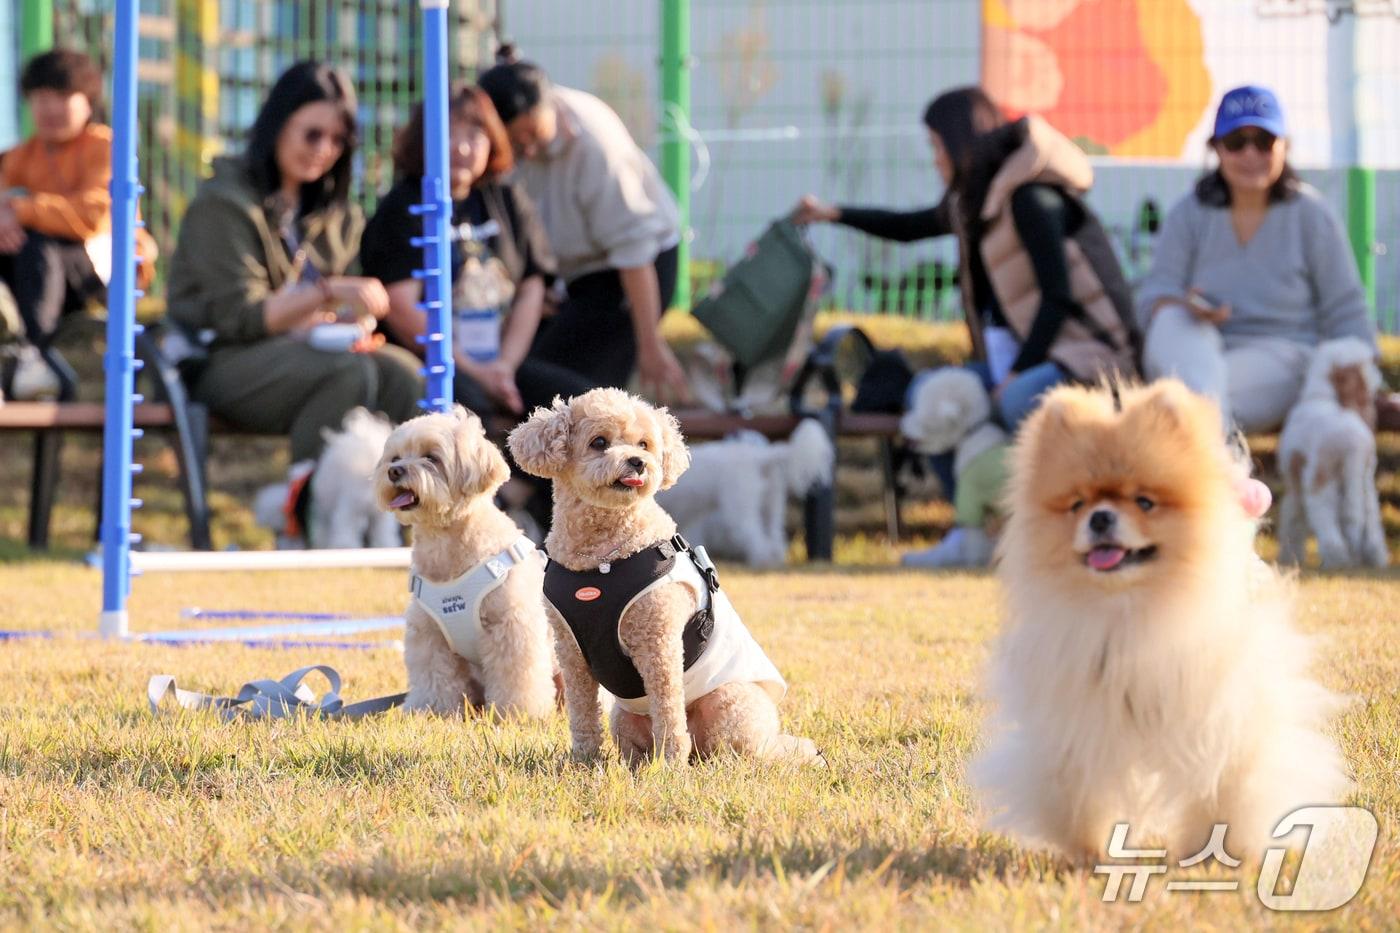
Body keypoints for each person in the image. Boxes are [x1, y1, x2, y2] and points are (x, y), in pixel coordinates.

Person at [795, 86, 1138, 432]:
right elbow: (910, 226)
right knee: (926, 400)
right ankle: (973, 486)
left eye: (937, 145)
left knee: (1017, 400)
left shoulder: (1030, 200)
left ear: (960, 143)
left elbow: (1057, 296)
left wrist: (1017, 373)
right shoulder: (976, 204)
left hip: (1088, 359)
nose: (935, 158)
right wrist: (832, 213)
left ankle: (1020, 484)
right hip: (1021, 359)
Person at [165, 61, 423, 466]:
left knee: (406, 375)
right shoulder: (223, 202)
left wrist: (351, 320)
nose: (324, 149)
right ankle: (309, 514)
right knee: (346, 373)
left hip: (310, 350)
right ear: (278, 124)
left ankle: (395, 520)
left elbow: (345, 309)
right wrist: (327, 292)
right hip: (219, 358)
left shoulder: (337, 213)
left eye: (337, 140)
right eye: (313, 133)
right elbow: (241, 318)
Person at [1136, 85, 1377, 433]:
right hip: (1199, 347)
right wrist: (1187, 305)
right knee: (1172, 321)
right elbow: (1152, 298)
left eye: (1263, 141)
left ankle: (1207, 467)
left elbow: (1347, 309)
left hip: (1283, 354)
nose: (1250, 154)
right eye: (1236, 142)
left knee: (1192, 405)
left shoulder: (1312, 215)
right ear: (1216, 148)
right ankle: (1220, 463)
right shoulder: (1187, 213)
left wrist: (1367, 380)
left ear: (1285, 147)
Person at [360, 83, 593, 417]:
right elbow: (401, 307)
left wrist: (504, 367)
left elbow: (531, 286)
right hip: (435, 366)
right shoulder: (403, 207)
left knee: (580, 405)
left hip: (501, 362)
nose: (462, 148)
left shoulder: (506, 199)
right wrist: (475, 371)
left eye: (474, 135)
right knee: (472, 412)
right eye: (449, 135)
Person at [478, 54, 690, 402]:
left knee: (563, 387)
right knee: (530, 371)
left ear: (550, 102)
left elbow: (633, 250)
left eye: (533, 133)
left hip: (632, 272)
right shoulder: (507, 149)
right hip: (569, 277)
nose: (528, 149)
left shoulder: (595, 145)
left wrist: (649, 344)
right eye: (517, 142)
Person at [0, 48, 157, 399]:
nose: (51, 108)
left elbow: (92, 217)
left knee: (38, 244)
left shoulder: (105, 147)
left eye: (62, 96)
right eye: (41, 97)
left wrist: (20, 210)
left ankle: (38, 354)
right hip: (34, 272)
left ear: (87, 101)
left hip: (101, 271)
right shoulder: (19, 156)